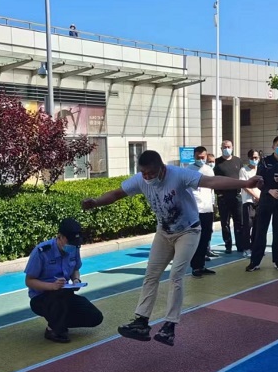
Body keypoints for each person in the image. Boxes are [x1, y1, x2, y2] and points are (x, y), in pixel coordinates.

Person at [81, 150, 261, 346]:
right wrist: (96, 202)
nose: (147, 177)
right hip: (164, 232)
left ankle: (169, 326)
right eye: (144, 173)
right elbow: (117, 194)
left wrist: (245, 184)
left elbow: (212, 182)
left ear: (162, 168)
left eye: (151, 173)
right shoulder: (141, 180)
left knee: (176, 275)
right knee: (151, 275)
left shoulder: (179, 175)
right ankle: (141, 321)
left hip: (188, 231)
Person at [25, 218, 103, 343]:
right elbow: (29, 281)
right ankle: (53, 329)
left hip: (65, 294)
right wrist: (52, 286)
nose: (72, 246)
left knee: (95, 317)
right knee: (58, 296)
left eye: (75, 243)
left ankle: (59, 323)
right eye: (69, 241)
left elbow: (75, 269)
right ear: (60, 237)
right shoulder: (42, 251)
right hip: (41, 298)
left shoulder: (74, 248)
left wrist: (76, 280)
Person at [247, 136, 278, 272]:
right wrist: (269, 191)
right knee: (260, 232)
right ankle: (255, 262)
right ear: (273, 146)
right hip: (266, 201)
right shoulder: (265, 162)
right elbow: (258, 182)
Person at [188, 146, 216, 277]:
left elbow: (212, 188)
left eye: (203, 157)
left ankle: (201, 265)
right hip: (195, 210)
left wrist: (213, 204)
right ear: (194, 156)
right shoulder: (189, 170)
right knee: (196, 239)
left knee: (206, 237)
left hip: (208, 208)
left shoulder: (209, 170)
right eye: (198, 157)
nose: (201, 159)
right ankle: (195, 267)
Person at [214, 140, 244, 253]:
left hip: (236, 196)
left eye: (228, 147)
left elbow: (242, 176)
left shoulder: (238, 161)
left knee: (239, 222)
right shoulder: (217, 162)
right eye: (224, 147)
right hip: (223, 197)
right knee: (225, 223)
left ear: (232, 147)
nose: (227, 149)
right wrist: (219, 193)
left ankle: (240, 245)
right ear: (221, 148)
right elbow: (213, 179)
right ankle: (228, 245)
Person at [239, 150, 261, 258]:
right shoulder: (244, 170)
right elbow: (244, 185)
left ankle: (255, 247)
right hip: (248, 202)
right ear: (249, 158)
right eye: (252, 158)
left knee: (258, 226)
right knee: (248, 226)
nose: (254, 160)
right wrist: (255, 196)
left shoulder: (261, 170)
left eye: (256, 158)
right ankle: (246, 248)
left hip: (260, 202)